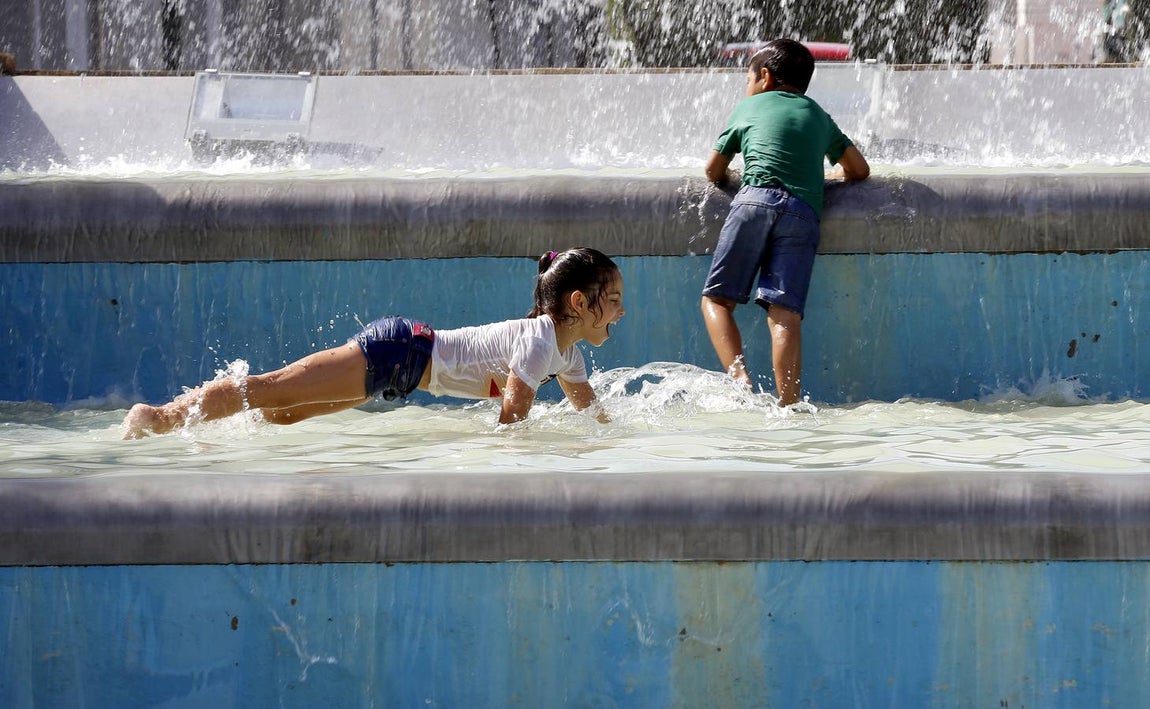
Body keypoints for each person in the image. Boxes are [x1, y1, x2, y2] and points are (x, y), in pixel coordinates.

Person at [122, 247, 625, 438]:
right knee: (272, 389)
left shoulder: (568, 355)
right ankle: (162, 416)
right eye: (615, 299)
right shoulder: (539, 342)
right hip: (398, 350)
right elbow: (512, 421)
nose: (622, 311)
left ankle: (211, 424)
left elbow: (591, 413)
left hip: (401, 374)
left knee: (285, 413)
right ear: (579, 303)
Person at [700, 38, 870, 406]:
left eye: (748, 78)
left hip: (754, 201)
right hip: (803, 211)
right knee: (785, 314)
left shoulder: (750, 107)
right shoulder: (819, 115)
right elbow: (859, 170)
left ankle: (739, 377)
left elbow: (713, 170)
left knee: (716, 300)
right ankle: (788, 403)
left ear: (764, 76)